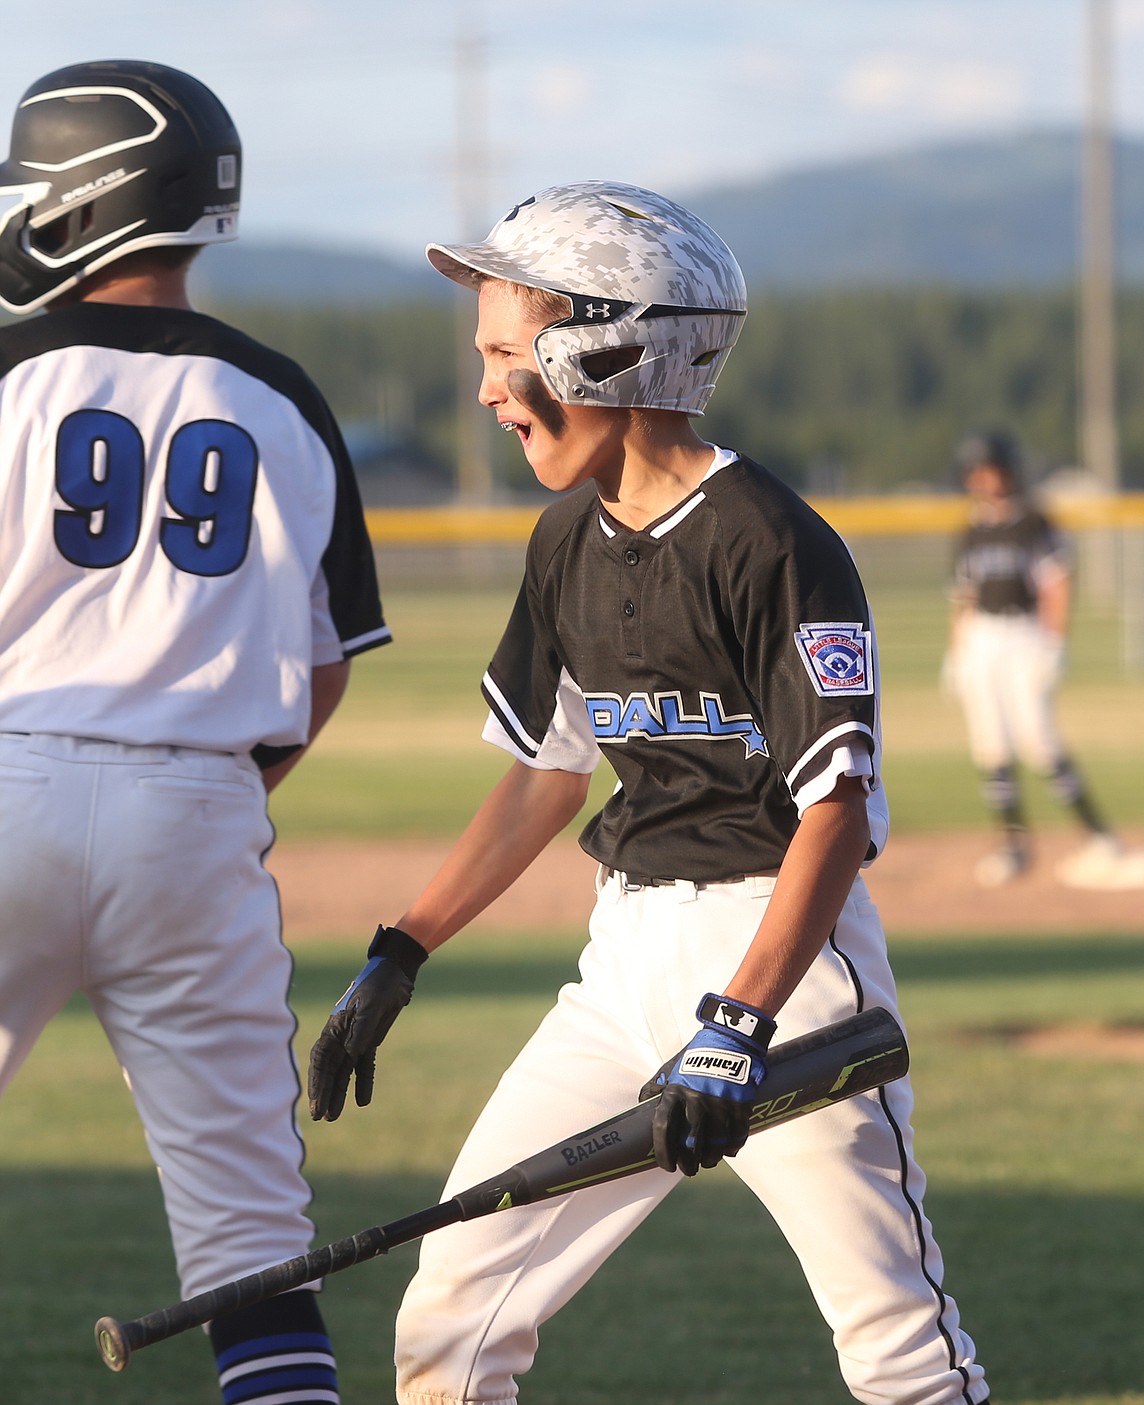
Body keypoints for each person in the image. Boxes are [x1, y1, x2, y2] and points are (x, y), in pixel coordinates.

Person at [308, 181, 989, 1405]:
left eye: (510, 356)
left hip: (782, 967)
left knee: (898, 1346)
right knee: (451, 1320)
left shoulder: (771, 540)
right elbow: (544, 781)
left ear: (612, 348)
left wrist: (737, 1025)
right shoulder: (566, 542)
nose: (486, 392)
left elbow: (834, 811)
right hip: (621, 961)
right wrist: (400, 949)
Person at [0, 60, 390, 1404]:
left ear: (81, 201)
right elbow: (324, 673)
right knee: (249, 1242)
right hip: (201, 808)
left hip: (7, 775)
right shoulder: (282, 395)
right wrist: (210, 778)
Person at [946, 430, 1144, 890]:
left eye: (990, 470)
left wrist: (1054, 642)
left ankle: (1100, 838)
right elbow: (964, 595)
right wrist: (957, 649)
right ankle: (1013, 845)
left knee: (1040, 741)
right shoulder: (971, 528)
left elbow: (1055, 582)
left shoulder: (1033, 522)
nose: (983, 480)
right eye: (976, 473)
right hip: (983, 636)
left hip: (1025, 634)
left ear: (1007, 471)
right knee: (991, 744)